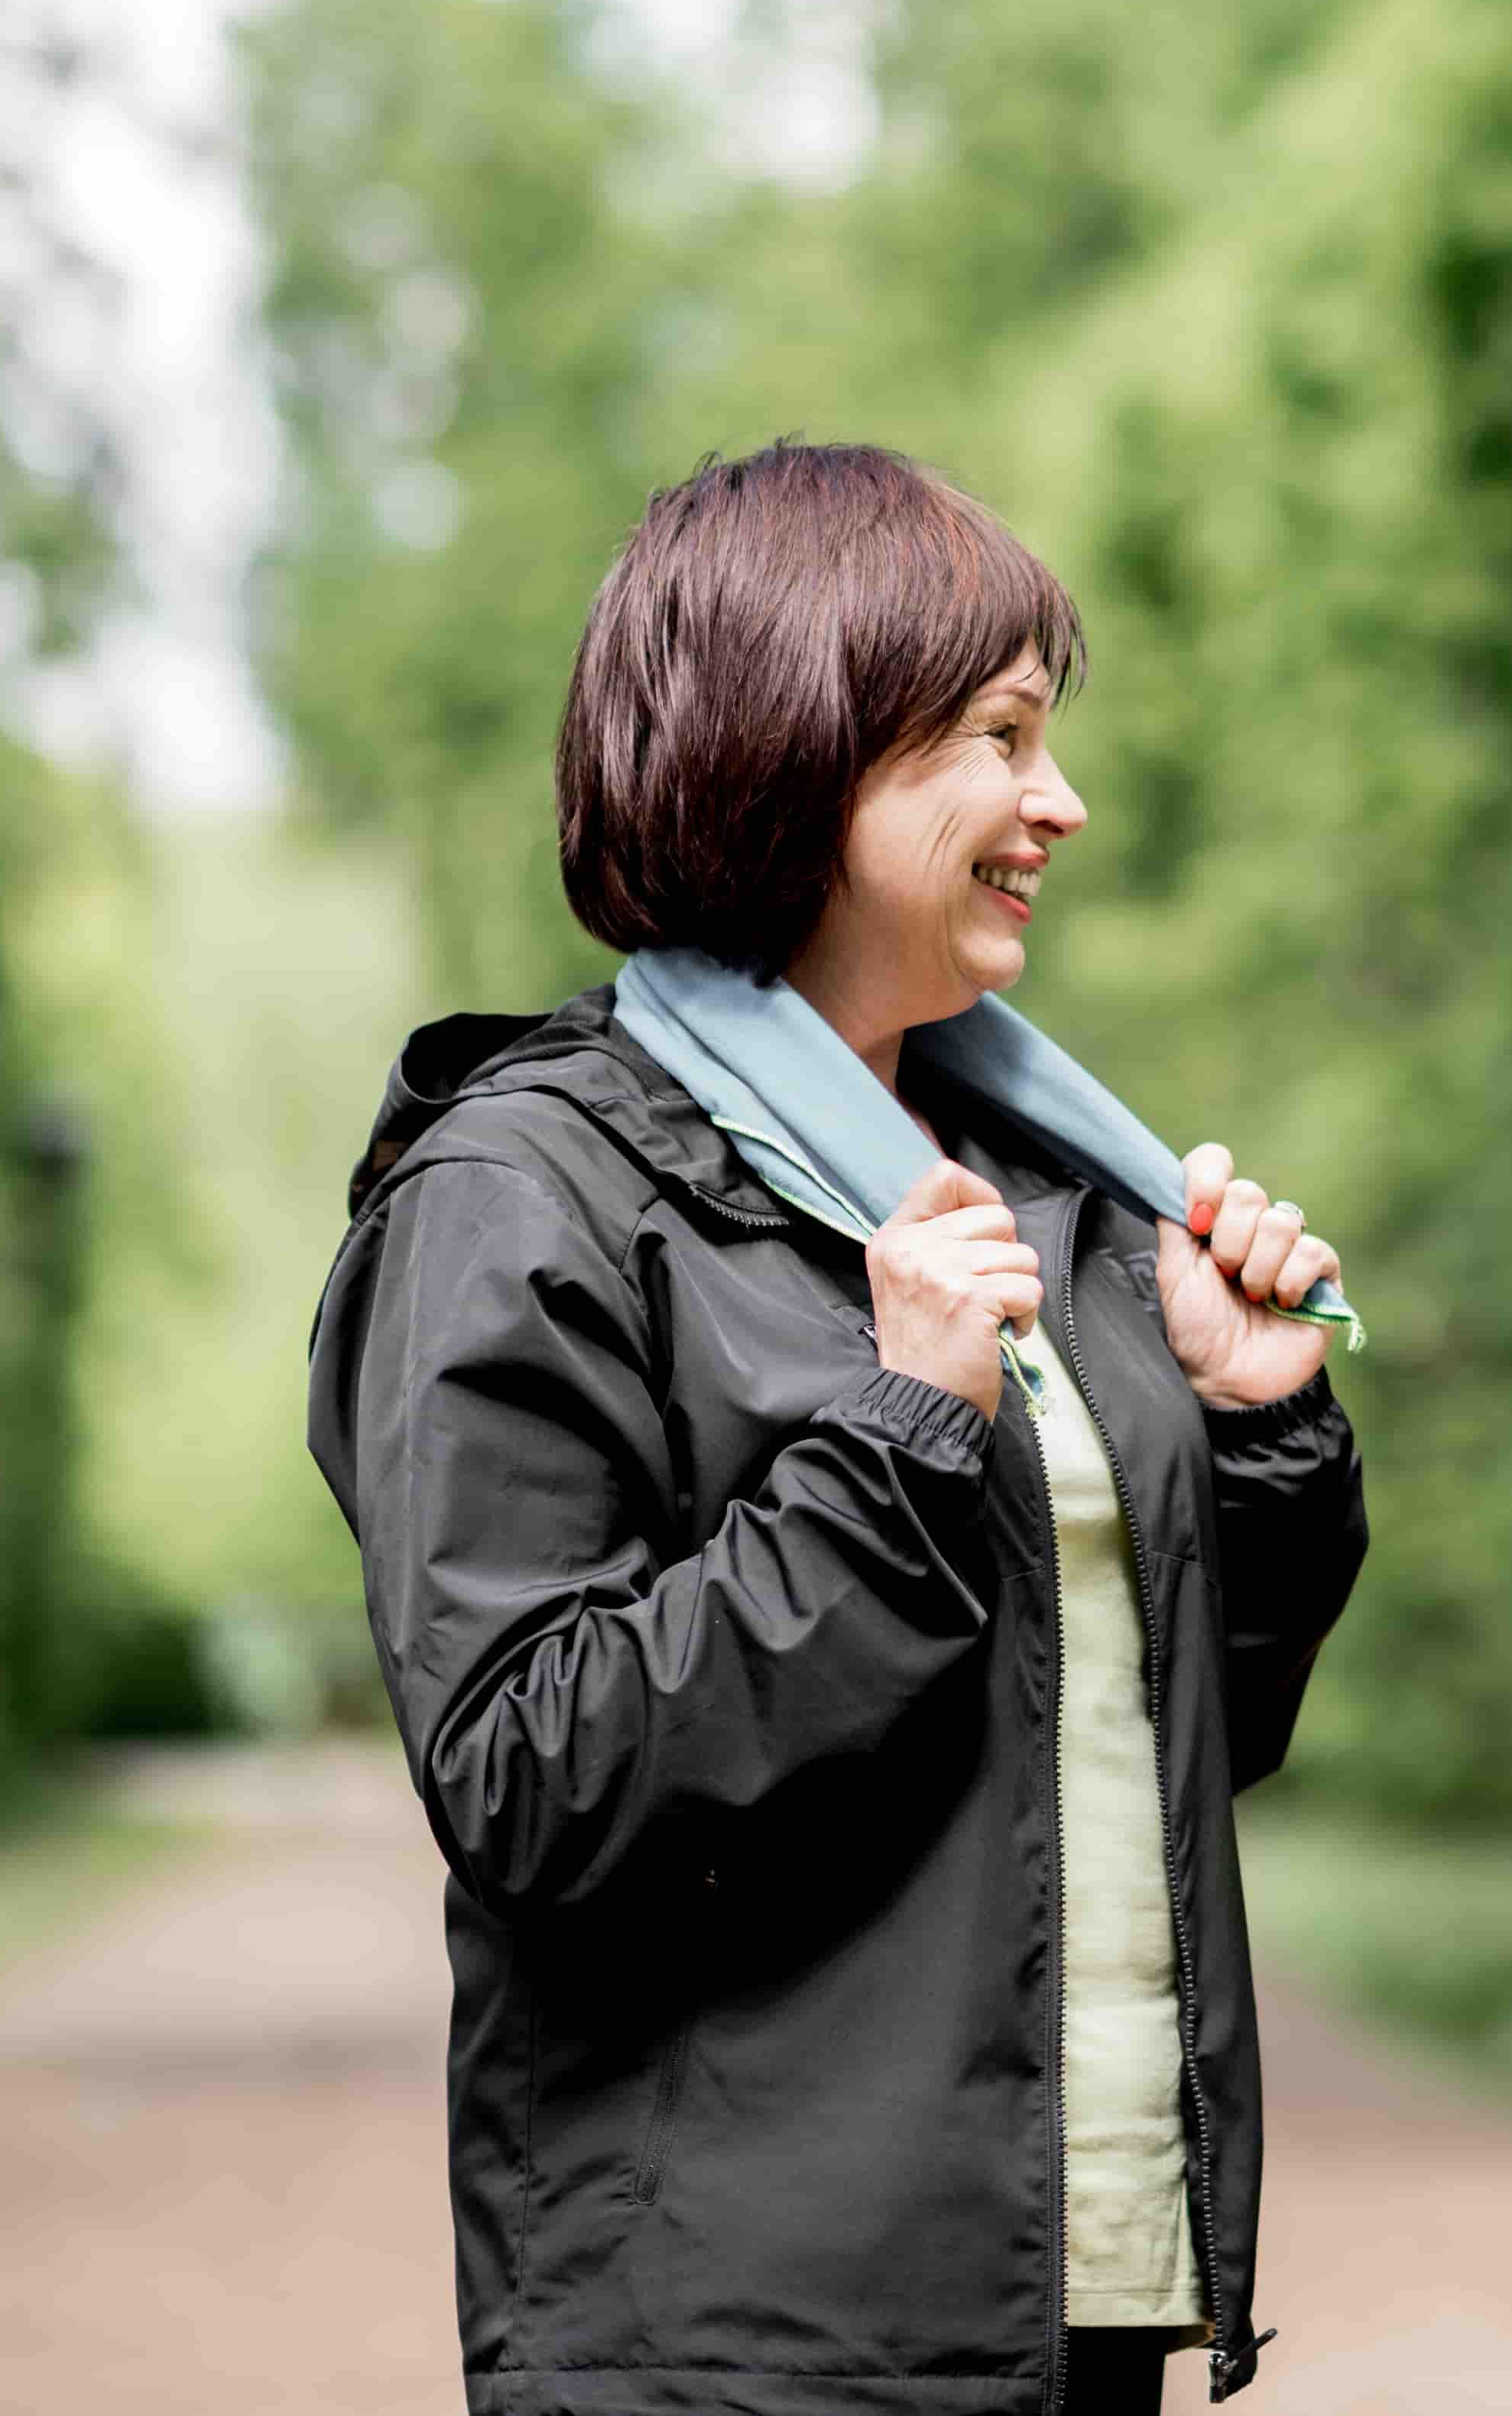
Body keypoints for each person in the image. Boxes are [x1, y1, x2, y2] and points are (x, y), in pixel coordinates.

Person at [308, 442, 1367, 2414]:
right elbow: (534, 1775)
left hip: (1077, 2282)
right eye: (997, 736)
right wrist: (892, 1439)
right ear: (802, 752)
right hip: (738, 2332)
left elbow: (1165, 1738)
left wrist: (1255, 1435)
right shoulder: (524, 1190)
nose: (1061, 801)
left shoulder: (1034, 1187)